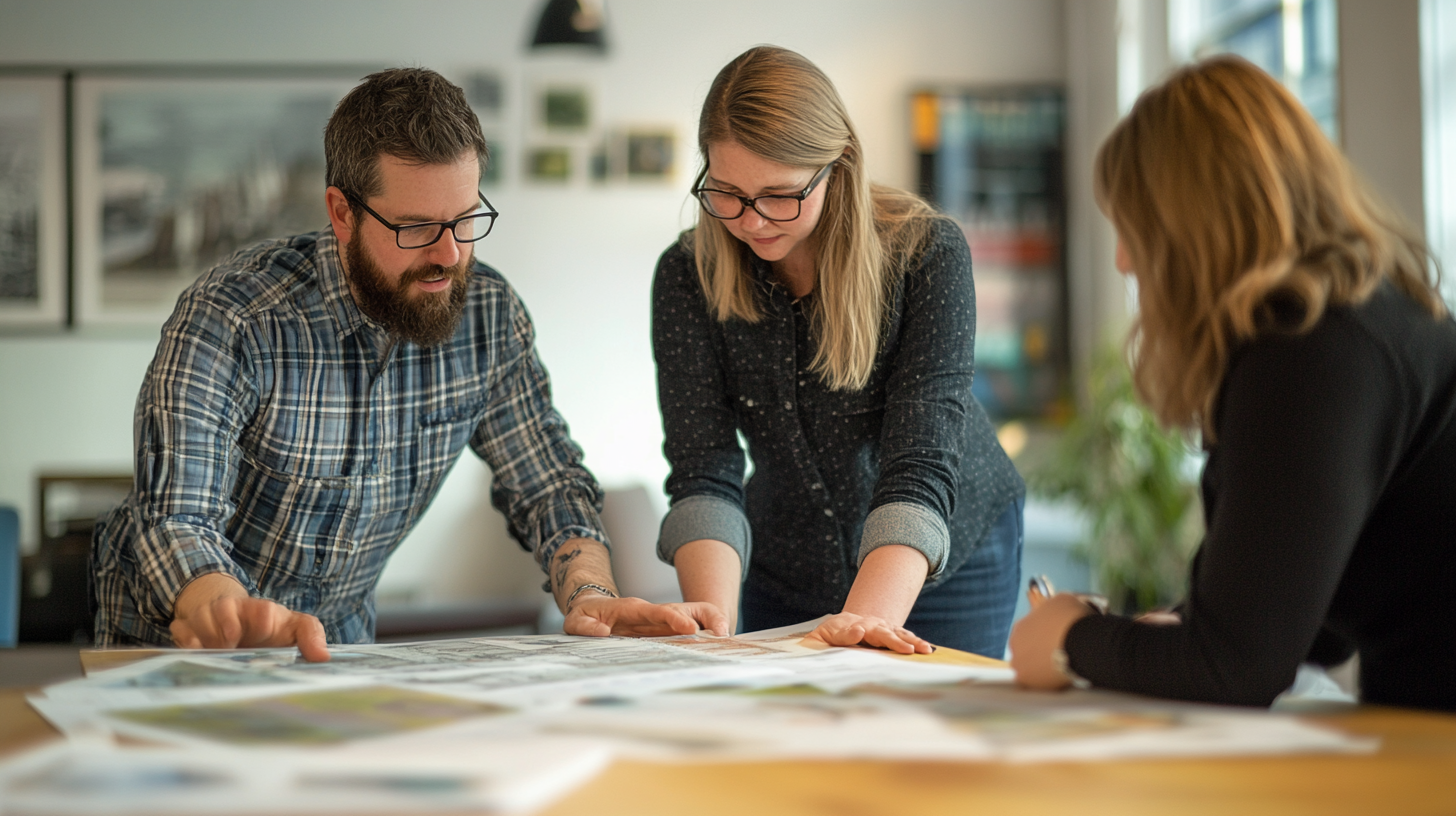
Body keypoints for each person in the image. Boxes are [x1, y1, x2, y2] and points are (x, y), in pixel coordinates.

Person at [91, 68, 724, 659]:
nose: (449, 255)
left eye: (466, 219)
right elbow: (176, 517)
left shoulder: (488, 316)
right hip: (178, 645)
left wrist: (592, 596)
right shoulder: (234, 318)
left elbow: (549, 487)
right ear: (342, 213)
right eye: (417, 228)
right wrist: (226, 611)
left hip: (338, 648)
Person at [1010, 55, 1456, 712]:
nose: (1124, 259)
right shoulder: (1360, 318)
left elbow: (1238, 668)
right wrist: (1179, 633)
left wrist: (1070, 637)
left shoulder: (1308, 353)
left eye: (1135, 225)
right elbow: (1308, 624)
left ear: (1194, 223)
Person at [651, 46, 1025, 658]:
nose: (750, 221)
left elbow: (920, 466)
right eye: (726, 192)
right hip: (788, 561)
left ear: (838, 165)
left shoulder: (927, 254)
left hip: (941, 558)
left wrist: (862, 626)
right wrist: (711, 631)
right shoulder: (684, 275)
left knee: (930, 744)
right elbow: (704, 470)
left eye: (780, 194)